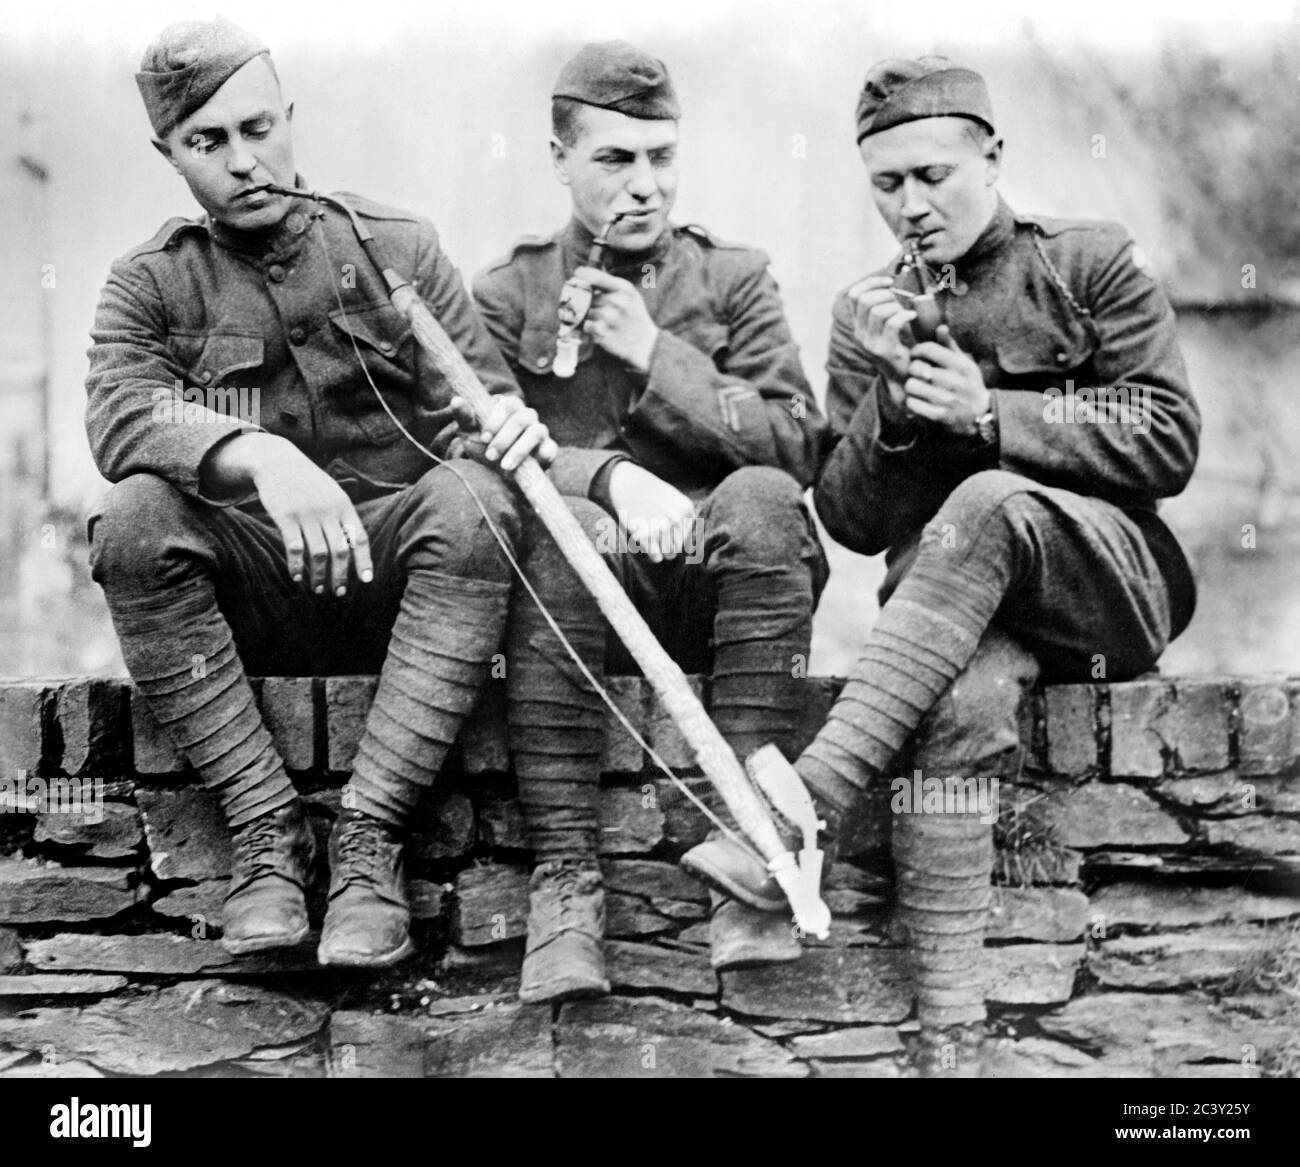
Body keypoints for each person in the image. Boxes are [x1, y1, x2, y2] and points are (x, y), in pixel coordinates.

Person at [743, 57, 1200, 1074]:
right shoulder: (872, 314)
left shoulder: (1087, 263)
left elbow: (1167, 436)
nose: (911, 205)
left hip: (1108, 584)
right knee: (956, 707)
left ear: (992, 157)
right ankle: (951, 1036)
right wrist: (892, 404)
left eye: (933, 175)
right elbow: (851, 522)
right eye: (887, 184)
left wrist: (993, 417)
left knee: (988, 498)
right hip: (958, 617)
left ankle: (802, 803)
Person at [85, 18, 554, 969]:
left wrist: (506, 428)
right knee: (133, 519)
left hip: (408, 599)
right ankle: (267, 833)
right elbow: (120, 416)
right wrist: (255, 452)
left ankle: (369, 840)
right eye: (207, 142)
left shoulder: (397, 248)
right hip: (253, 597)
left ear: (290, 117)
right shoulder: (150, 282)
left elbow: (482, 407)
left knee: (476, 500)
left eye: (259, 128)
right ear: (168, 154)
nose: (243, 161)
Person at [473, 40, 829, 999]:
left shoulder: (734, 278)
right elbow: (477, 446)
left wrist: (656, 354)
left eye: (661, 156)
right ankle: (566, 884)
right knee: (563, 533)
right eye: (614, 159)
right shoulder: (506, 295)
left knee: (761, 495)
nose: (644, 184)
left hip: (721, 589)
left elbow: (799, 445)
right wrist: (608, 477)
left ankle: (753, 843)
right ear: (558, 158)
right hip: (570, 606)